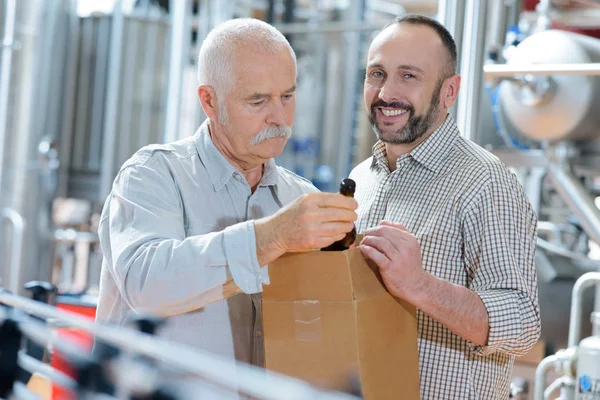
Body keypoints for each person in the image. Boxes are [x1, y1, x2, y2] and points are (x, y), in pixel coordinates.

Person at [95, 18, 357, 371]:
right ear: (209, 101)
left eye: (288, 96)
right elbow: (146, 287)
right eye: (258, 100)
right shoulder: (153, 175)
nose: (279, 117)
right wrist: (272, 236)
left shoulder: (299, 195)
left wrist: (356, 267)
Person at [350, 15, 540, 399]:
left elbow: (522, 324)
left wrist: (419, 285)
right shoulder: (361, 178)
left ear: (449, 91)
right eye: (377, 73)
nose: (386, 92)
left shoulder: (485, 181)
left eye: (409, 76)